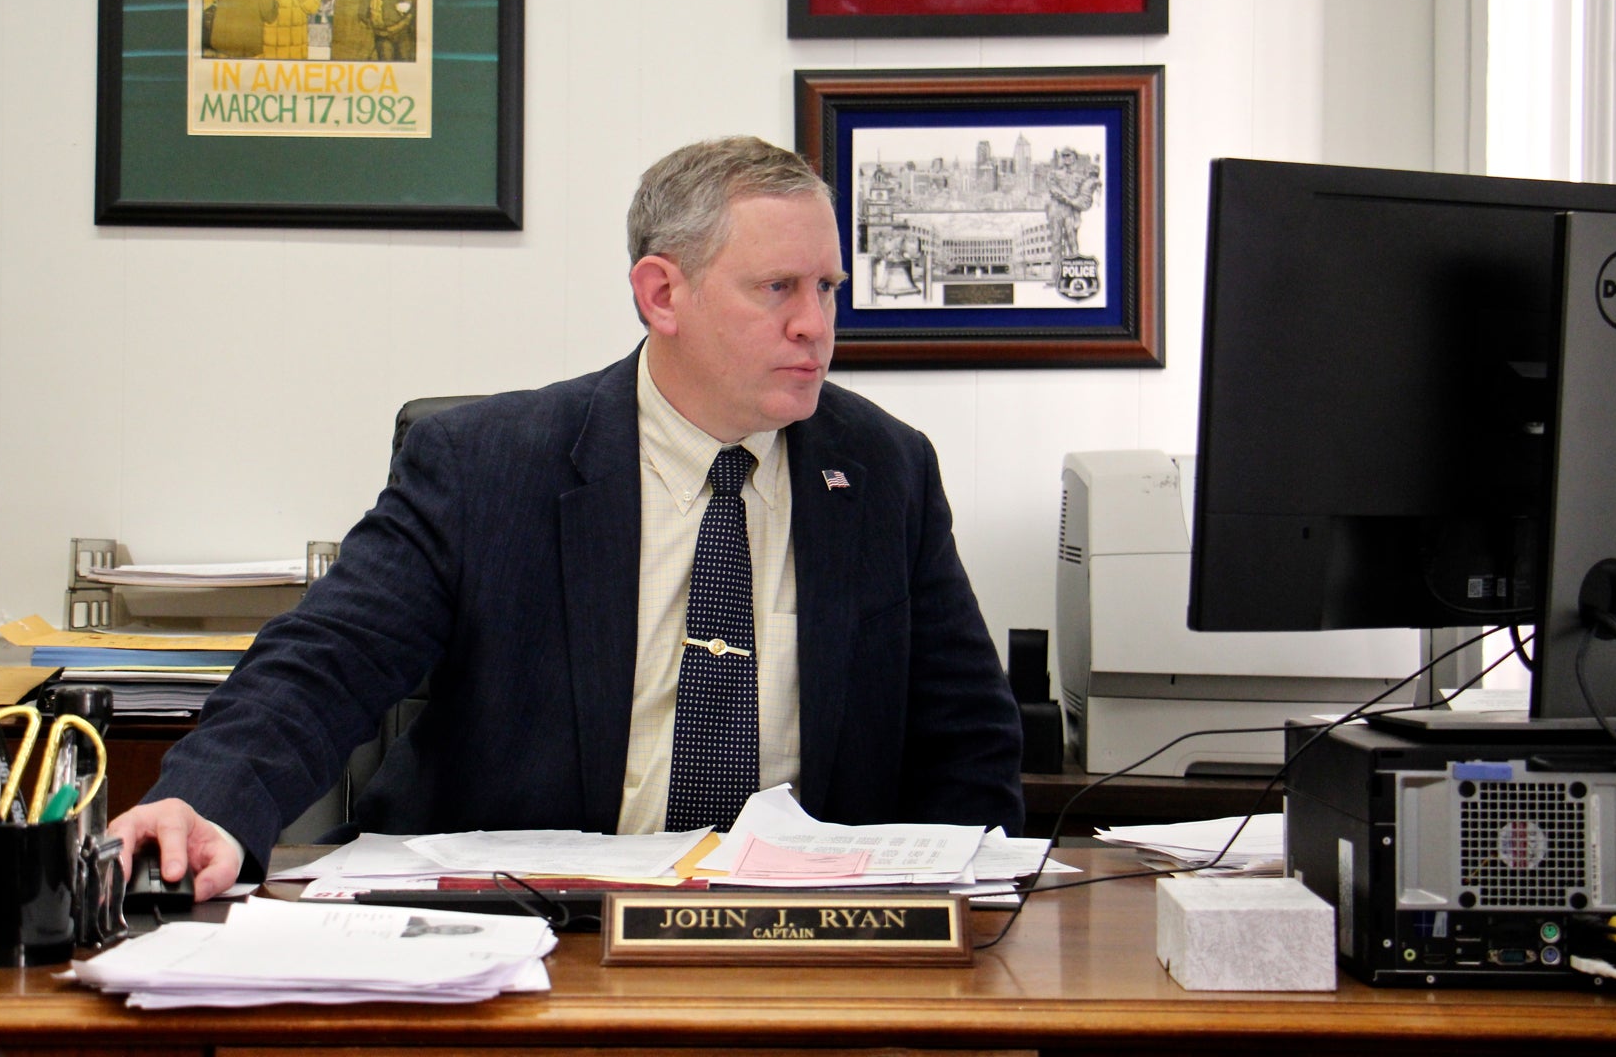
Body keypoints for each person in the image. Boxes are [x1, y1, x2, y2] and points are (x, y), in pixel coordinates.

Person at [109, 136, 1026, 900]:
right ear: (662, 294)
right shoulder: (485, 465)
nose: (814, 326)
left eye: (827, 288)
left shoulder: (882, 469)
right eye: (777, 288)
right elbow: (328, 660)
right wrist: (209, 802)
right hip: (529, 935)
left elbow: (966, 740)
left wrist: (956, 916)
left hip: (789, 937)